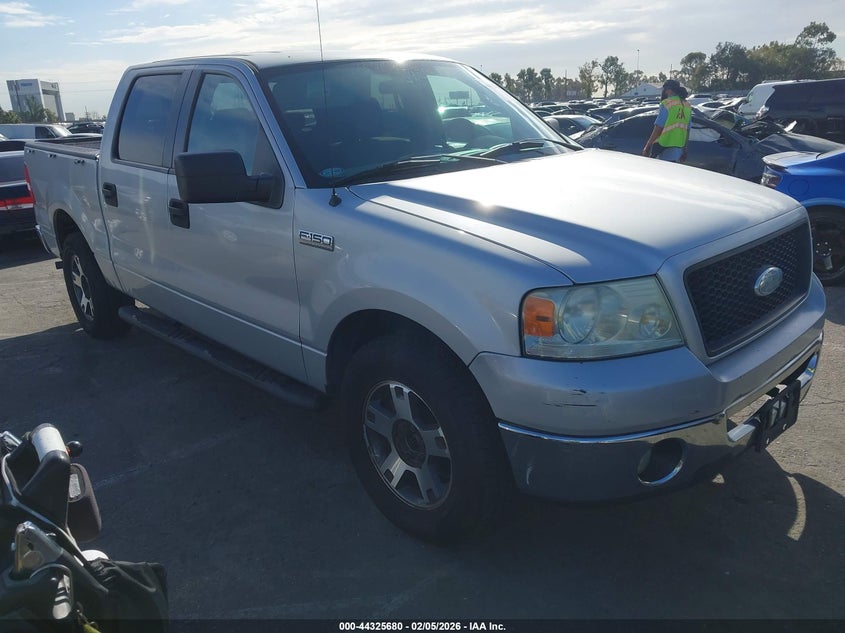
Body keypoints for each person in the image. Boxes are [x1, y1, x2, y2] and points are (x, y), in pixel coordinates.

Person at [642, 79, 692, 163]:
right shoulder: (687, 105)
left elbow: (659, 127)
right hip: (678, 147)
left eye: (664, 90)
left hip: (664, 144)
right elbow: (687, 129)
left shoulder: (667, 103)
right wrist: (685, 149)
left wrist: (648, 146)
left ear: (668, 90)